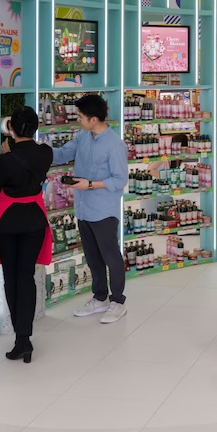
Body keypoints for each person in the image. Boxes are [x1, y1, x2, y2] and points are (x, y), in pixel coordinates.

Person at [0, 107, 54, 362]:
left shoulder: (6, 159)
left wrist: (6, 156)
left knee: (11, 279)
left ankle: (20, 339)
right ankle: (25, 336)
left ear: (11, 128)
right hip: (35, 220)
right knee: (27, 276)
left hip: (8, 223)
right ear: (36, 127)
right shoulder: (46, 153)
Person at [52, 94, 129, 323]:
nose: (78, 119)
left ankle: (118, 301)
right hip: (83, 208)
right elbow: (63, 154)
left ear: (93, 119)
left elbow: (120, 179)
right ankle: (100, 298)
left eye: (80, 116)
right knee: (92, 256)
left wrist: (91, 184)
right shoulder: (82, 137)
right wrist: (36, 149)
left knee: (111, 256)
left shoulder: (114, 144)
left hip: (103, 210)